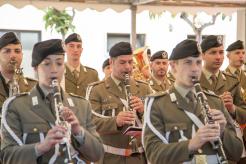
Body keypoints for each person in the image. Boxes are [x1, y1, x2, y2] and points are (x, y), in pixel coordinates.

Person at [1, 39, 104, 164]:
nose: (54, 69)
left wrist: (78, 130)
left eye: (59, 63)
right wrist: (41, 147)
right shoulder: (16, 105)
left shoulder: (82, 105)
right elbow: (7, 156)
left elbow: (97, 155)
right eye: (47, 64)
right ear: (35, 68)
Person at [143, 39, 243, 163]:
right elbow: (153, 154)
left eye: (198, 62)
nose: (195, 69)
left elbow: (237, 153)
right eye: (188, 62)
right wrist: (190, 145)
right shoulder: (157, 104)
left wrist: (223, 132)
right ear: (173, 66)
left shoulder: (215, 101)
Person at [86, 42, 152, 164]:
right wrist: (115, 121)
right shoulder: (96, 89)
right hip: (110, 158)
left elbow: (157, 123)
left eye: (130, 62)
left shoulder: (144, 88)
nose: (128, 67)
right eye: (122, 62)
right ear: (111, 62)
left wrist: (144, 112)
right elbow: (90, 122)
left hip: (139, 158)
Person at [0, 32, 36, 110]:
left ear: (22, 55)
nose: (13, 56)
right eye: (7, 51)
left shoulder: (35, 87)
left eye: (17, 51)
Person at [225, 40, 246, 163]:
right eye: (237, 53)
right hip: (231, 131)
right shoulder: (223, 77)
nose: (241, 56)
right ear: (228, 56)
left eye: (243, 52)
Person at [64, 33, 99, 97]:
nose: (75, 50)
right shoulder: (59, 73)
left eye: (78, 46)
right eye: (71, 46)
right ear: (65, 48)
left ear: (82, 50)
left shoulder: (92, 74)